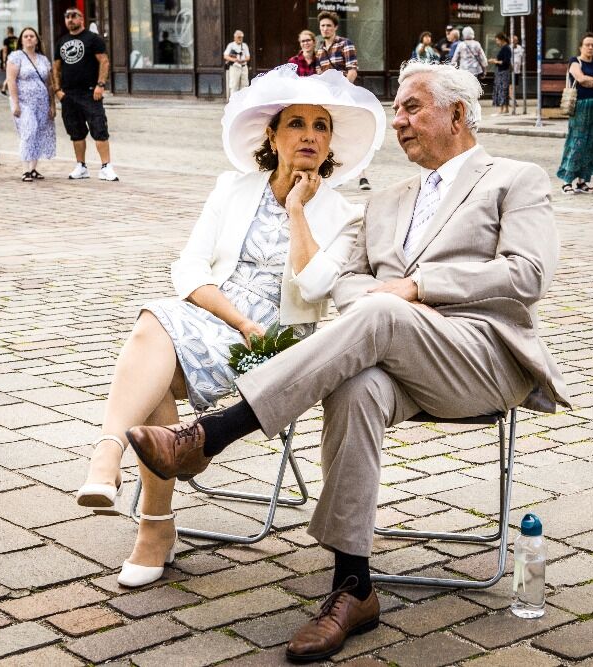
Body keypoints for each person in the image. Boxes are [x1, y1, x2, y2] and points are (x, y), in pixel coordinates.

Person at [125, 60, 569, 663]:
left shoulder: (514, 178)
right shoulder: (385, 200)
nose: (398, 120)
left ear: (457, 114)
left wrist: (416, 289)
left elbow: (528, 273)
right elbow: (342, 283)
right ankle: (353, 586)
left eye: (411, 107)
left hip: (481, 356)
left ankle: (213, 433)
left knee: (381, 313)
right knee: (356, 382)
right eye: (397, 109)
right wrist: (363, 279)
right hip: (398, 353)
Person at [74, 67, 385, 594]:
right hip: (218, 313)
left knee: (155, 356)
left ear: (330, 143)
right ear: (272, 135)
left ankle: (136, 497)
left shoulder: (345, 215)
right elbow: (189, 267)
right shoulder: (232, 188)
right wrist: (236, 319)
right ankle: (127, 482)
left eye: (321, 126)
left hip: (281, 338)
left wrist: (297, 211)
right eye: (296, 124)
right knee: (155, 325)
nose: (309, 135)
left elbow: (314, 286)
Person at [52, 7, 118, 182]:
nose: (70, 19)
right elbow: (56, 67)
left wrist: (100, 85)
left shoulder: (93, 39)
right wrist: (57, 91)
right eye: (67, 16)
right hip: (69, 95)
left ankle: (106, 167)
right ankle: (81, 166)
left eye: (74, 16)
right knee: (76, 132)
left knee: (99, 128)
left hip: (90, 93)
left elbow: (104, 61)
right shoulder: (61, 42)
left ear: (81, 19)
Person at [314, 10, 371, 191]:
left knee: (354, 135)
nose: (325, 28)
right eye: (322, 26)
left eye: (328, 26)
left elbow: (352, 70)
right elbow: (320, 76)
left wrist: (343, 91)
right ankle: (336, 176)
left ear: (335, 27)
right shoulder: (319, 49)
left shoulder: (345, 44)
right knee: (332, 136)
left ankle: (363, 177)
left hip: (345, 96)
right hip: (329, 98)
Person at [556, 33, 593, 195]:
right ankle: (567, 181)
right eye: (587, 45)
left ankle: (582, 181)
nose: (590, 47)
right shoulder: (575, 61)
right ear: (581, 46)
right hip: (581, 106)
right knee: (577, 142)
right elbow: (580, 79)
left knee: (591, 143)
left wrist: (591, 82)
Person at [6, 26, 55, 182]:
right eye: (25, 36)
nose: (29, 38)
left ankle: (33, 168)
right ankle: (25, 169)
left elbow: (49, 84)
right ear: (21, 40)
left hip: (42, 102)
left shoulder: (43, 59)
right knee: (29, 130)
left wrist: (52, 105)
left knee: (39, 132)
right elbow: (11, 81)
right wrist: (15, 103)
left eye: (32, 36)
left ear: (37, 40)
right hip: (24, 102)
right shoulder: (16, 57)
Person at [488, 32, 512, 115]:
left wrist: (495, 61)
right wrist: (496, 61)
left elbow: (506, 61)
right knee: (503, 89)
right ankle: (505, 109)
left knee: (502, 89)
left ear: (502, 40)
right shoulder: (505, 48)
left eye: (497, 40)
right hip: (502, 71)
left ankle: (502, 109)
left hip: (503, 71)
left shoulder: (506, 48)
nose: (497, 42)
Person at [224, 30, 251, 97]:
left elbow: (248, 57)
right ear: (235, 37)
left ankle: (242, 100)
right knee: (234, 85)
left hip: (243, 67)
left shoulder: (244, 45)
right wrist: (234, 60)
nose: (240, 39)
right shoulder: (231, 45)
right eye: (238, 37)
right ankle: (233, 101)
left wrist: (243, 60)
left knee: (244, 85)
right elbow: (225, 56)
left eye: (241, 37)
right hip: (235, 67)